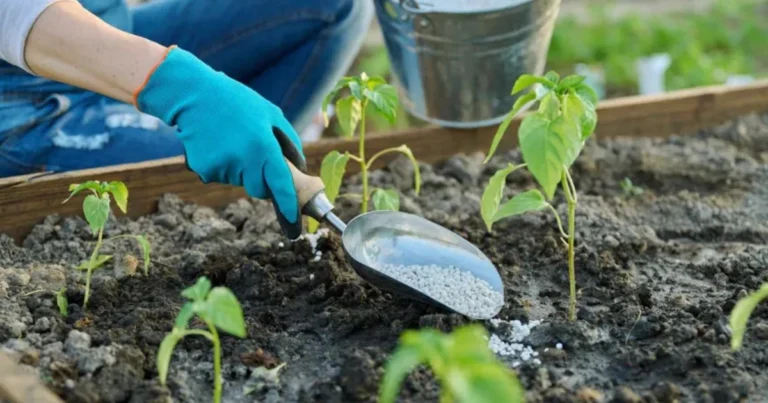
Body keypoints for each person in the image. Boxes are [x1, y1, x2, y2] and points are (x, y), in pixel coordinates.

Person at [0, 0, 373, 236]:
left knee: (333, 8)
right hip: (23, 101)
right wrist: (182, 87)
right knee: (209, 160)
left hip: (108, 25)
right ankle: (246, 178)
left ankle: (258, 150)